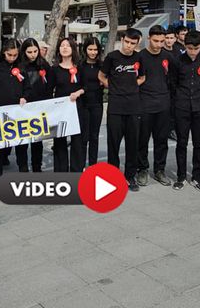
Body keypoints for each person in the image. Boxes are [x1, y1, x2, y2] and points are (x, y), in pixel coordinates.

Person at [99, 28, 145, 191]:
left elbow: (142, 77)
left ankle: (130, 176)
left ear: (137, 43)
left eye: (133, 43)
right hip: (115, 108)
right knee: (113, 144)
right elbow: (101, 76)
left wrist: (131, 87)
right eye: (127, 42)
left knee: (132, 144)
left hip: (133, 107)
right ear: (122, 39)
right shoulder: (112, 57)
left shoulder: (139, 58)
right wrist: (113, 87)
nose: (129, 46)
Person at [171, 30, 200, 192]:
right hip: (182, 107)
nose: (193, 52)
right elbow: (173, 83)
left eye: (196, 48)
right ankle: (181, 176)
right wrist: (178, 101)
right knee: (181, 143)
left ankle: (196, 176)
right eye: (189, 48)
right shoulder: (178, 61)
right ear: (184, 45)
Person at [0, 39, 29, 185]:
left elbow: (27, 87)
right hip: (0, 112)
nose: (12, 58)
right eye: (9, 55)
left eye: (15, 55)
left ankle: (24, 176)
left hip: (18, 112)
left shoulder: (22, 66)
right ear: (4, 52)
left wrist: (24, 97)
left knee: (22, 145)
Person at [135, 25, 173, 187]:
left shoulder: (169, 56)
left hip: (163, 104)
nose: (158, 44)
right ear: (149, 38)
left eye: (162, 41)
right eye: (156, 41)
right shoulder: (140, 57)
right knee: (142, 140)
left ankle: (159, 170)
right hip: (144, 104)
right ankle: (142, 169)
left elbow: (174, 79)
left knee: (161, 140)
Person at [51, 36, 85, 172]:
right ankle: (61, 172)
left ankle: (76, 171)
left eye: (68, 45)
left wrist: (78, 92)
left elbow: (87, 86)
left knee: (77, 141)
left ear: (73, 48)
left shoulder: (80, 67)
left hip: (77, 107)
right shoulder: (54, 69)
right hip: (60, 110)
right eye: (62, 45)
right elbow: (49, 90)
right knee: (59, 141)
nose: (64, 48)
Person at [18, 38, 52, 172]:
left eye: (35, 51)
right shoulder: (20, 66)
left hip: (40, 107)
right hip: (24, 107)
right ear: (24, 52)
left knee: (37, 141)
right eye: (29, 52)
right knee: (22, 141)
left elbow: (49, 85)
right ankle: (23, 168)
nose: (32, 54)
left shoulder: (44, 64)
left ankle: (37, 167)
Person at [79, 37, 104, 166]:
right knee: (84, 137)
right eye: (90, 49)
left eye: (95, 49)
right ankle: (81, 165)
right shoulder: (80, 65)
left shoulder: (102, 65)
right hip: (83, 105)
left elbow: (106, 82)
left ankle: (93, 165)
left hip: (97, 105)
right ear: (85, 49)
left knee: (94, 137)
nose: (93, 52)